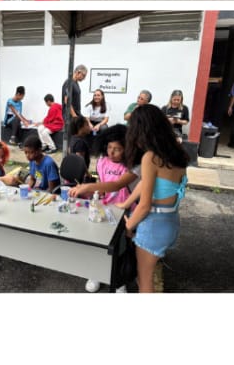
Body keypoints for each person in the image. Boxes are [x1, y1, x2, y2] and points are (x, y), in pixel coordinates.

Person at [117, 104, 189, 293]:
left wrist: (128, 226)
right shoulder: (176, 153)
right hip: (171, 222)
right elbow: (146, 183)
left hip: (153, 227)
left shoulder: (150, 157)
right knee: (148, 277)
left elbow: (144, 206)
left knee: (144, 283)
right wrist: (125, 203)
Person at [70, 125, 136, 292]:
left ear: (127, 149)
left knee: (120, 248)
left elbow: (116, 185)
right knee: (98, 242)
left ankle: (119, 282)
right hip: (104, 208)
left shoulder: (131, 167)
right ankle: (96, 273)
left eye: (117, 149)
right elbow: (103, 185)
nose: (111, 152)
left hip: (124, 211)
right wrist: (94, 192)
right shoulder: (102, 161)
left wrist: (87, 187)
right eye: (109, 147)